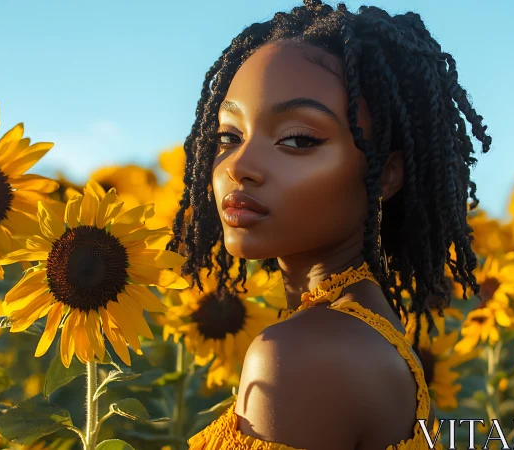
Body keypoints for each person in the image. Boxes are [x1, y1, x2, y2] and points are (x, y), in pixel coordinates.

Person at [166, 1, 491, 448]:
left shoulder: (303, 354)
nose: (239, 166)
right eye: (229, 136)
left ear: (387, 172)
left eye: (298, 139)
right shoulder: (366, 333)